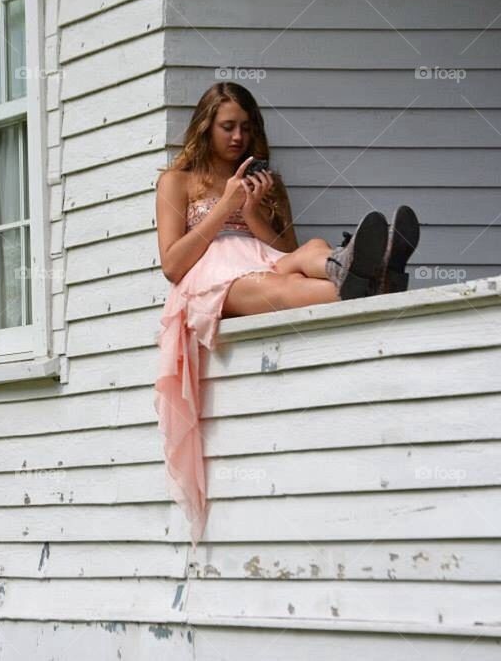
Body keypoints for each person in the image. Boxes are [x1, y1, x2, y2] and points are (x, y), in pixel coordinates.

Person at [153, 82, 420, 546]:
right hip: (211, 283)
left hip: (264, 261)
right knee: (281, 286)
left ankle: (353, 269)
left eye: (246, 127)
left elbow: (286, 248)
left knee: (313, 250)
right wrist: (226, 206)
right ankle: (376, 281)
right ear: (205, 127)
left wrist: (254, 211)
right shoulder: (176, 182)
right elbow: (173, 265)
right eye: (227, 127)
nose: (238, 137)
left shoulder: (267, 181)